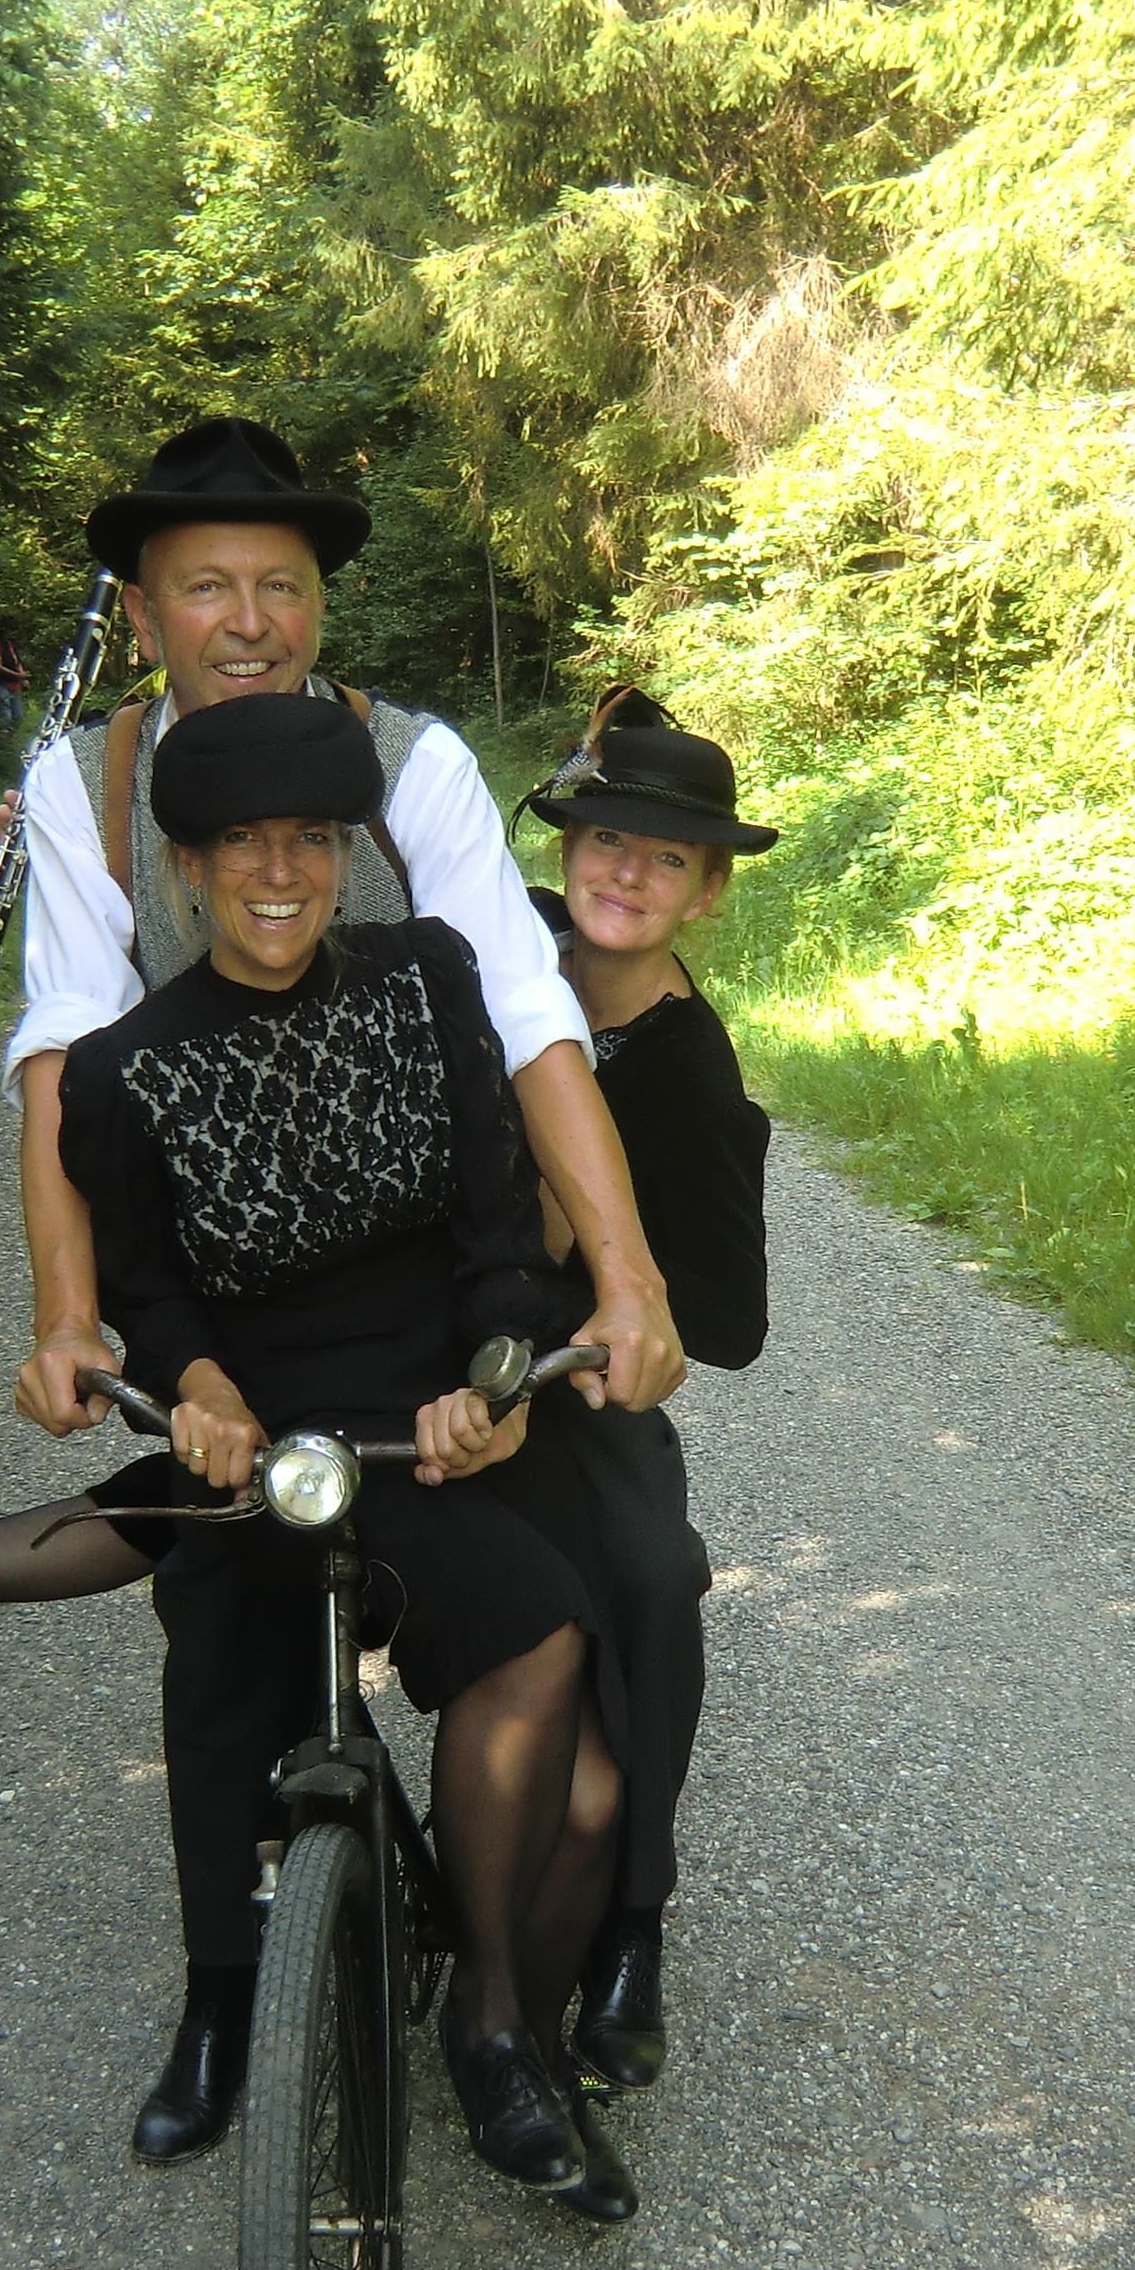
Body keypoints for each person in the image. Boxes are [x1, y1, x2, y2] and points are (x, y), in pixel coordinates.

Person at [0, 417, 681, 2163]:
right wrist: (72, 1317)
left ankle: (602, 1941)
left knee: (629, 1583)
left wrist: (623, 1270)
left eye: (280, 585)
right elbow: (64, 1051)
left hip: (457, 1313)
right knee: (220, 1617)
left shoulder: (414, 765)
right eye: (206, 585)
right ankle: (232, 1990)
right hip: (231, 1320)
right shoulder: (83, 789)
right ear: (143, 607)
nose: (247, 618)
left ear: (317, 603)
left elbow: (528, 1014)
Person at [59, 691, 633, 2214]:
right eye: (240, 842)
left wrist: (495, 1374)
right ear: (185, 868)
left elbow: (495, 1231)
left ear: (342, 856)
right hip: (255, 1430)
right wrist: (194, 1385)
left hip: (416, 1416)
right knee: (218, 1668)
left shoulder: (428, 977)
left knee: (536, 1636)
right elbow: (144, 1284)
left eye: (309, 838)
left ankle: (494, 2011)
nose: (279, 871)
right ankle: (217, 2001)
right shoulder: (124, 1071)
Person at [498, 695, 775, 2097]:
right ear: (569, 847)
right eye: (607, 840)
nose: (626, 874)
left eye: (668, 860)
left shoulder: (688, 1070)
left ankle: (633, 1928)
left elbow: (731, 1324)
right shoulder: (498, 955)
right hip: (425, 1350)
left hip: (565, 1386)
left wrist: (627, 1296)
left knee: (657, 1573)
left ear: (708, 893)